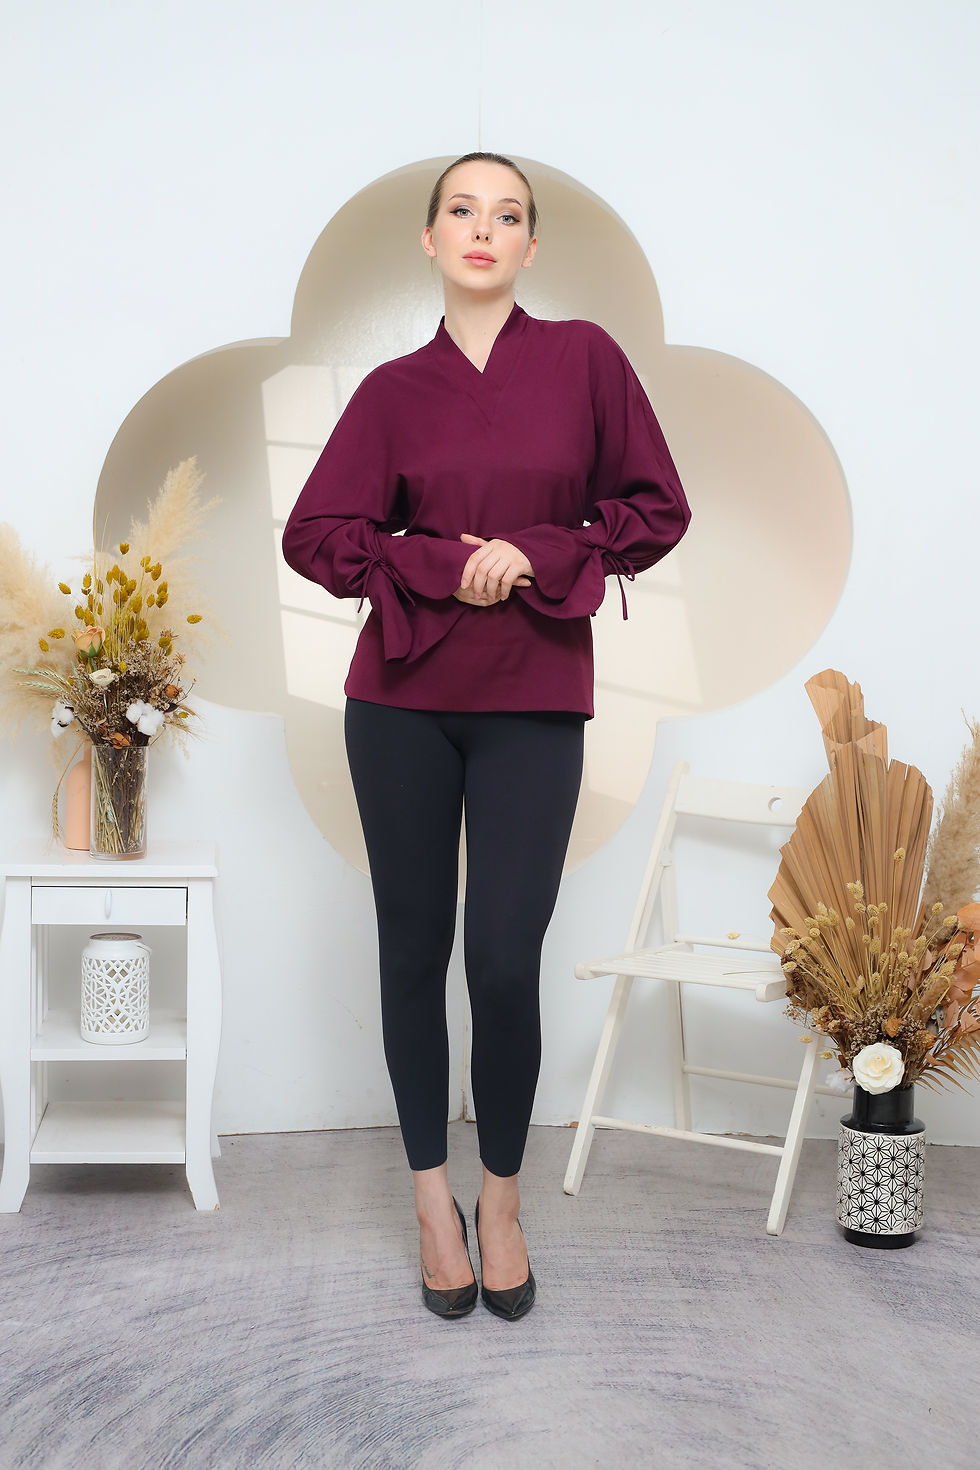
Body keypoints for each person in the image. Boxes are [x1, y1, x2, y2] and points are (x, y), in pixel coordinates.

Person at [281, 151, 691, 1321]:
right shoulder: (391, 391)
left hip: (533, 697)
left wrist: (542, 551)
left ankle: (499, 1203)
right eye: (461, 210)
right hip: (398, 704)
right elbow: (316, 534)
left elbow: (655, 507)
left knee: (503, 961)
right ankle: (430, 1203)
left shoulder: (584, 360)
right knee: (412, 953)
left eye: (506, 215)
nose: (482, 229)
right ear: (429, 238)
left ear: (528, 245)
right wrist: (434, 562)